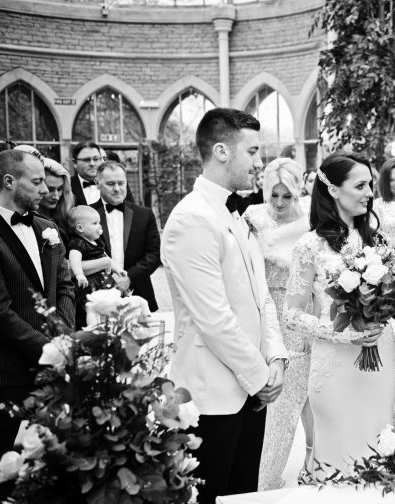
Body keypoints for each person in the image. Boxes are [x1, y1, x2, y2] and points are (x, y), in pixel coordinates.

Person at [284, 153, 395, 477]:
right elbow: (292, 314)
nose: (371, 192)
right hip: (334, 364)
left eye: (371, 184)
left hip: (380, 359)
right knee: (337, 460)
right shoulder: (309, 247)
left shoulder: (377, 239)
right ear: (333, 190)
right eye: (361, 185)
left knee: (376, 451)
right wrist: (339, 332)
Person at [162, 109, 288, 500]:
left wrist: (278, 357)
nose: (260, 162)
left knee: (242, 496)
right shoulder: (191, 219)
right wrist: (259, 377)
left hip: (250, 390)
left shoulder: (239, 215)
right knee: (210, 496)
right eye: (252, 151)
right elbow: (213, 318)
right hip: (211, 398)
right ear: (221, 151)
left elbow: (261, 296)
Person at [0, 150, 75, 503]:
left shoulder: (48, 229)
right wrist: (50, 349)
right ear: (9, 182)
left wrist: (62, 334)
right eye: (37, 182)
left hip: (52, 372)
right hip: (4, 373)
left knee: (56, 464)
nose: (46, 189)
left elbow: (64, 286)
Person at [244, 158, 314, 490]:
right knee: (258, 401)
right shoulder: (252, 219)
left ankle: (267, 480)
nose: (280, 203)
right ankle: (251, 476)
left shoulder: (310, 224)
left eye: (287, 196)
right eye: (274, 195)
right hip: (259, 316)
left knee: (287, 406)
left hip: (297, 322)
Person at [92, 161, 160, 312]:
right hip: (98, 296)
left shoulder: (144, 214)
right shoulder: (86, 214)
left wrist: (129, 277)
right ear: (97, 184)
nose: (117, 188)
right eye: (110, 184)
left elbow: (155, 254)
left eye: (121, 183)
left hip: (139, 293)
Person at [67, 206, 125, 326]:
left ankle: (112, 325)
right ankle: (93, 327)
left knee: (111, 305)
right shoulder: (78, 242)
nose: (99, 226)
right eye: (95, 223)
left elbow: (105, 257)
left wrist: (117, 269)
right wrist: (79, 274)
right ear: (80, 228)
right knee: (92, 309)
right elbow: (74, 259)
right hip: (89, 285)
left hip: (102, 282)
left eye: (99, 223)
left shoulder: (97, 242)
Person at [71, 141, 134, 206]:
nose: (92, 164)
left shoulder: (118, 183)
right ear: (75, 163)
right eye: (86, 160)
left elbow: (131, 210)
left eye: (96, 159)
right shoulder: (67, 186)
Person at [38, 158, 74, 243]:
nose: (56, 196)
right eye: (50, 190)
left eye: (60, 189)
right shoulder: (28, 220)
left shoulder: (66, 217)